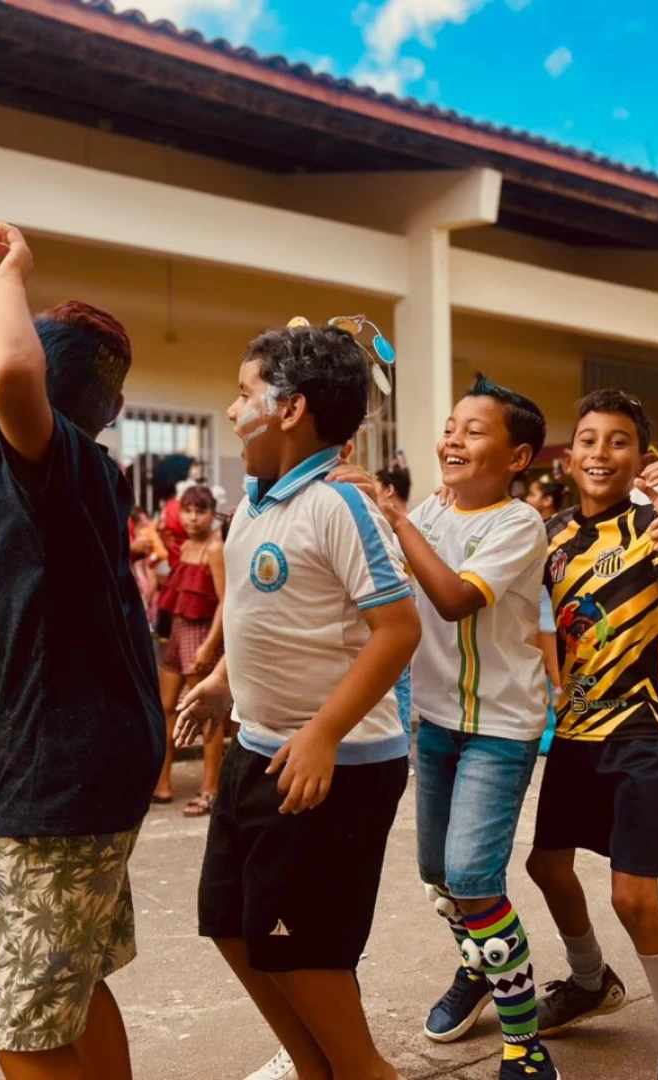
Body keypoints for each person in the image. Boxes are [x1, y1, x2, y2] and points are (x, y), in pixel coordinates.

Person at [0, 222, 165, 1079]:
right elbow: (19, 380)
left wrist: (9, 279)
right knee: (76, 973)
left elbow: (19, 380)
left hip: (58, 770)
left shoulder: (47, 462)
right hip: (86, 757)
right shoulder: (79, 465)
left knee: (22, 1020)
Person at [177, 317, 418, 1080]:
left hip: (335, 768)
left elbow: (398, 630)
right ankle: (317, 1070)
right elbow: (253, 609)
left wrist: (321, 733)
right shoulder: (250, 505)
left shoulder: (337, 507)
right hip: (257, 747)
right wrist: (221, 681)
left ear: (291, 409)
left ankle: (358, 1069)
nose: (231, 407)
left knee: (306, 957)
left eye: (244, 392)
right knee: (233, 928)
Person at [345, 374, 563, 1080]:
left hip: (501, 726)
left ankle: (524, 1043)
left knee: (473, 875)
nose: (451, 439)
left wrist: (399, 516)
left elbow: (453, 600)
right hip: (434, 720)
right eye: (450, 427)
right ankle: (479, 963)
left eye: (474, 431)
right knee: (438, 873)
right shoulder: (434, 512)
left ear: (519, 457)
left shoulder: (519, 523)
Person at [525, 390, 658, 1079]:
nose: (600, 453)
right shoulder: (547, 535)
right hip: (575, 729)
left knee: (633, 897)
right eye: (587, 439)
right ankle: (590, 982)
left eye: (617, 441)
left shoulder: (654, 530)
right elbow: (541, 624)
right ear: (568, 454)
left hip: (642, 731)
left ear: (642, 457)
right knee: (546, 868)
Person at [152, 483, 226, 814]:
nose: (193, 517)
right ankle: (162, 783)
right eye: (188, 510)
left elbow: (226, 600)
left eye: (201, 510)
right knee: (166, 707)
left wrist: (210, 644)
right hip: (177, 633)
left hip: (201, 632)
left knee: (206, 712)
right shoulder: (182, 547)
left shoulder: (215, 547)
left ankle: (210, 788)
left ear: (213, 514)